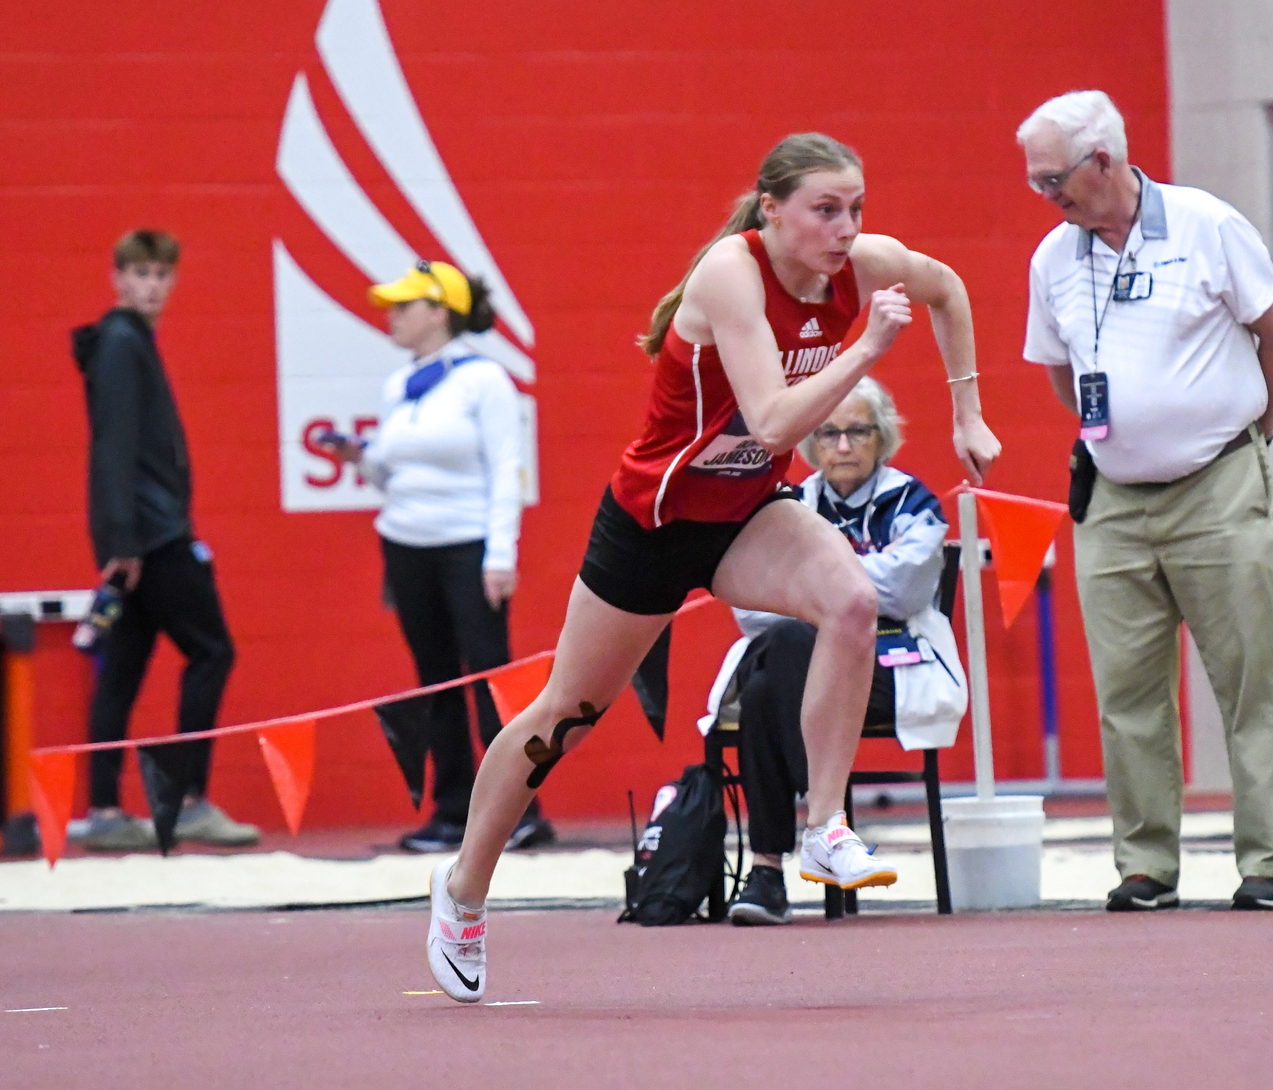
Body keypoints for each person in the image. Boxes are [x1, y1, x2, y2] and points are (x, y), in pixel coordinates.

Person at [425, 133, 1000, 1002]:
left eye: (856, 208)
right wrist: (867, 350)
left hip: (746, 513)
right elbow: (772, 423)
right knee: (566, 714)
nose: (847, 229)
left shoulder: (865, 265)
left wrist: (968, 411)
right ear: (772, 211)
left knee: (851, 601)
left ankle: (824, 824)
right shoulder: (732, 274)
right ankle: (465, 886)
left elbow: (948, 287)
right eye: (825, 210)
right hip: (654, 523)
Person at [1017, 91, 1273, 910]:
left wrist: (1252, 434)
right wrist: (1125, 430)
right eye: (1037, 182)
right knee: (1127, 690)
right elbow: (1061, 370)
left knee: (1247, 682)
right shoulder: (1053, 259)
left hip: (1216, 482)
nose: (1046, 195)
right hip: (1111, 498)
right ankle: (1145, 864)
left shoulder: (1206, 225)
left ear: (1104, 161)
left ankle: (1268, 862)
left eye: (1054, 179)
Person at [715, 377, 954, 926]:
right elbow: (748, 607)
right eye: (828, 433)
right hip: (800, 677)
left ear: (882, 437)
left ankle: (770, 869)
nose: (843, 446)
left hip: (888, 670)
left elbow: (904, 591)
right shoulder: (789, 505)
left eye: (857, 432)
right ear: (810, 442)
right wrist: (845, 591)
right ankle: (820, 831)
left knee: (787, 652)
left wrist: (811, 587)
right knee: (772, 674)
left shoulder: (913, 501)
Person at [333, 260, 554, 853]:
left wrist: (500, 554)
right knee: (435, 682)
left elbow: (506, 470)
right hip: (406, 546)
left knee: (490, 679)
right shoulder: (398, 385)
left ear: (440, 313)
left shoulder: (485, 380)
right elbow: (391, 474)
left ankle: (519, 812)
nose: (392, 316)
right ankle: (453, 811)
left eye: (404, 307)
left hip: (468, 546)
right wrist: (361, 459)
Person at [70, 229, 258, 851]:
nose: (152, 286)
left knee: (122, 670)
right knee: (212, 652)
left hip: (140, 535)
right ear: (117, 278)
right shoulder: (123, 344)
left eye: (161, 275)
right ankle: (189, 801)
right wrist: (123, 542)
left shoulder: (129, 343)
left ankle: (104, 810)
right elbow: (114, 447)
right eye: (140, 274)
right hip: (154, 538)